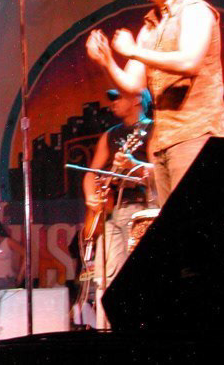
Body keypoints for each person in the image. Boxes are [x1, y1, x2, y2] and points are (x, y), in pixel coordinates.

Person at [86, 0, 224, 207]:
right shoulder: (149, 28)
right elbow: (132, 86)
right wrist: (107, 61)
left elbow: (189, 61)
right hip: (162, 142)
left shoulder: (195, 11)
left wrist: (134, 51)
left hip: (197, 134)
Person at [82, 89, 153, 328]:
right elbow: (92, 173)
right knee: (106, 278)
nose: (113, 103)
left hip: (141, 209)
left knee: (138, 278)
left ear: (137, 99)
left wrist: (134, 165)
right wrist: (91, 195)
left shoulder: (153, 129)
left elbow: (158, 171)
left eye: (118, 97)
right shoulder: (110, 135)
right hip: (111, 213)